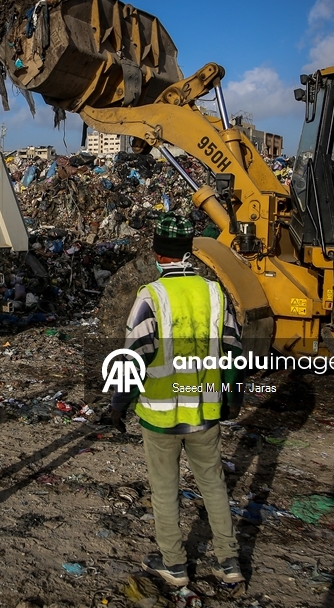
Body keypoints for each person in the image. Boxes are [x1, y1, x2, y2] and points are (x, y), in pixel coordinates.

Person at [110, 213, 246, 587]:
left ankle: (174, 565)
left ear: (158, 254)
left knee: (165, 489)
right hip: (205, 411)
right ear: (189, 251)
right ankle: (229, 562)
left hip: (160, 416)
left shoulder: (150, 297)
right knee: (214, 484)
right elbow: (235, 350)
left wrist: (118, 405)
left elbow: (133, 356)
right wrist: (233, 394)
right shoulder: (215, 293)